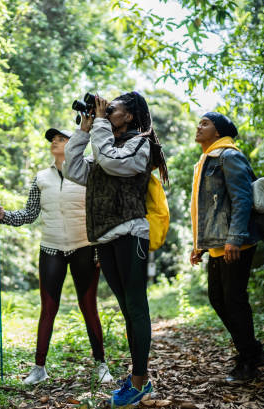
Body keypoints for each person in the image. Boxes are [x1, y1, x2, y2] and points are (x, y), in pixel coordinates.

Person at [63, 91, 169, 407]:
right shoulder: (106, 144)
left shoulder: (141, 144)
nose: (106, 114)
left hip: (131, 234)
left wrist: (98, 127)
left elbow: (111, 161)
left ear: (131, 116)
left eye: (112, 110)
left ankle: (137, 383)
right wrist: (84, 129)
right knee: (127, 309)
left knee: (136, 307)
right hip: (106, 238)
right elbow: (73, 168)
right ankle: (142, 381)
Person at [0, 128, 113, 385]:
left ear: (74, 145)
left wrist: (102, 247)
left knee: (88, 306)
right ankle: (39, 368)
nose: (55, 143)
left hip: (85, 247)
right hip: (51, 248)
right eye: (53, 140)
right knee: (48, 308)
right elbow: (30, 214)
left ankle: (101, 365)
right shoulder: (41, 178)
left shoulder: (88, 172)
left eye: (61, 139)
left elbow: (101, 211)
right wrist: (4, 216)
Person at [189, 112, 264, 382]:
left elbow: (242, 198)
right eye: (199, 122)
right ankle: (252, 351)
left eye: (205, 123)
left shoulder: (229, 156)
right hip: (217, 245)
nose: (199, 127)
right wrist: (199, 244)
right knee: (218, 299)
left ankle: (249, 362)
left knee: (234, 301)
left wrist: (235, 236)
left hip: (235, 244)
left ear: (219, 131)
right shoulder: (207, 159)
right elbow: (207, 208)